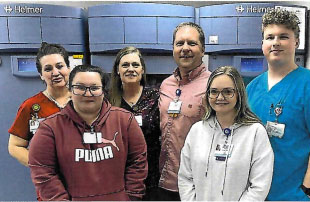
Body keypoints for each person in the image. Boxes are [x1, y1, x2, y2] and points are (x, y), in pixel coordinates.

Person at [246, 9, 310, 201]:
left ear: (296, 42)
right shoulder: (252, 88)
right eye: (270, 37)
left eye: (283, 36)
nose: (276, 42)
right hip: (255, 193)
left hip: (294, 194)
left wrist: (308, 190)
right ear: (262, 43)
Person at [28, 64, 148, 201]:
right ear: (70, 89)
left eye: (94, 88)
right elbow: (43, 172)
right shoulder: (49, 128)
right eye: (80, 88)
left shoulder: (125, 121)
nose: (88, 93)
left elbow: (138, 162)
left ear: (103, 90)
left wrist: (131, 198)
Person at [178, 66, 274, 201]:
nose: (220, 97)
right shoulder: (197, 130)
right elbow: (185, 178)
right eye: (214, 92)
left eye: (228, 92)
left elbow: (259, 185)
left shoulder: (255, 132)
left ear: (239, 94)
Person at [8, 42, 71, 200]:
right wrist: (41, 167)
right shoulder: (31, 106)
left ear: (68, 68)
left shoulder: (85, 100)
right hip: (50, 190)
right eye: (48, 69)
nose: (55, 72)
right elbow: (15, 146)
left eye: (60, 66)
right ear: (41, 75)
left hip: (86, 184)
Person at [158, 22, 211, 200]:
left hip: (198, 183)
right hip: (166, 179)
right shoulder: (166, 84)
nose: (185, 48)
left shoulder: (214, 85)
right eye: (179, 43)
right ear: (173, 49)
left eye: (192, 43)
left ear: (203, 50)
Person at [109, 46, 161, 201]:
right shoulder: (107, 100)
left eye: (135, 65)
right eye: (125, 65)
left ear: (142, 70)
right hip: (117, 175)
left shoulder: (156, 97)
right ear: (117, 70)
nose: (130, 69)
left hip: (151, 176)